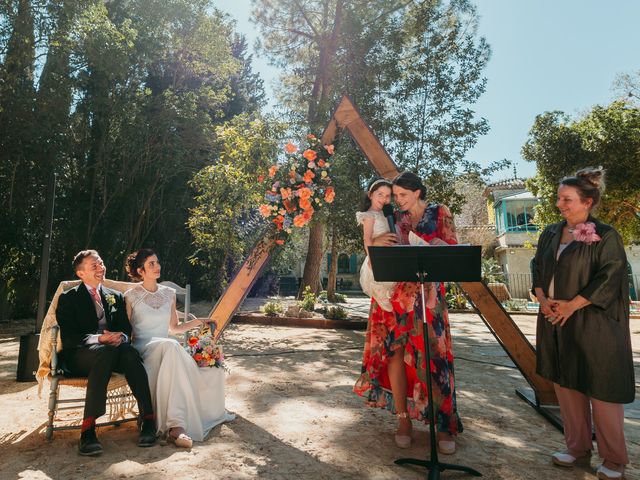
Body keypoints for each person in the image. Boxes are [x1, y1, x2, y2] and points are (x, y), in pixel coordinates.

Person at [531, 168, 634, 480]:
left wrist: (573, 304)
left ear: (587, 202)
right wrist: (540, 296)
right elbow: (538, 266)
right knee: (566, 383)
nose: (560, 204)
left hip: (594, 322)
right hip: (554, 320)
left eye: (567, 199)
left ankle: (614, 460)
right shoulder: (550, 232)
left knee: (601, 388)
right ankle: (576, 448)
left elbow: (612, 275)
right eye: (559, 198)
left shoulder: (606, 236)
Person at [354, 172, 461, 454]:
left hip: (428, 298)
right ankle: (403, 422)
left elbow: (453, 247)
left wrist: (441, 244)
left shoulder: (439, 212)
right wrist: (375, 245)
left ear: (417, 192)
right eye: (394, 195)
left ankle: (443, 426)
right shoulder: (394, 218)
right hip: (394, 296)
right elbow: (375, 247)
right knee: (395, 354)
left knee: (433, 357)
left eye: (402, 195)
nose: (396, 200)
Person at [124, 249, 235, 448]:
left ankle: (177, 426)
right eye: (151, 264)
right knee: (171, 346)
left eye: (157, 262)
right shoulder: (131, 296)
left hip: (168, 349)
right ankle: (177, 427)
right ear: (140, 270)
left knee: (171, 346)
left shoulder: (169, 294)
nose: (157, 267)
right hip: (144, 350)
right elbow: (126, 331)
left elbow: (174, 328)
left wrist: (199, 321)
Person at [55, 250, 156, 456]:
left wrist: (122, 337)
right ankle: (88, 429)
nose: (101, 268)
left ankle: (147, 419)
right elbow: (70, 339)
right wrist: (100, 339)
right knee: (106, 353)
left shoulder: (115, 296)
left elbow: (126, 329)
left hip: (112, 353)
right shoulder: (68, 298)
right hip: (80, 356)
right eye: (94, 266)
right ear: (81, 273)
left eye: (101, 263)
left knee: (128, 352)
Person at [356, 178, 396, 311]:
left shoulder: (387, 214)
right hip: (377, 255)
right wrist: (371, 257)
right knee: (381, 283)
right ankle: (382, 298)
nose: (384, 198)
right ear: (370, 195)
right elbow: (366, 238)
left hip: (390, 254)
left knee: (392, 283)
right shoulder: (369, 215)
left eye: (387, 196)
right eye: (380, 194)